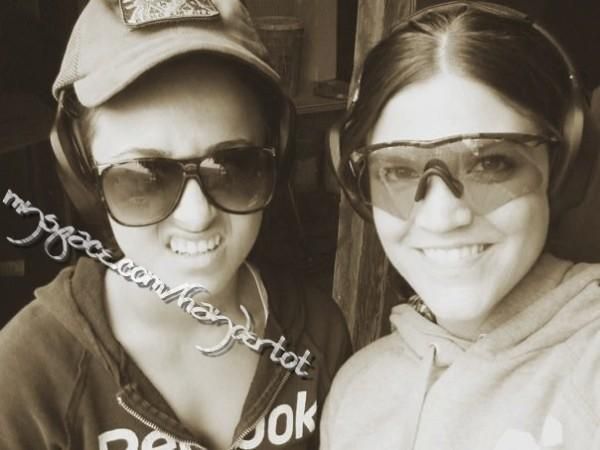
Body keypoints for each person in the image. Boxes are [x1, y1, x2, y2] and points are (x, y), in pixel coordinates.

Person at [0, 0, 351, 449]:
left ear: (276, 160)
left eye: (233, 166)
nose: (197, 215)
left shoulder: (320, 333)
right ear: (83, 178)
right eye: (145, 177)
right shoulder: (29, 377)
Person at [321, 2, 600, 449]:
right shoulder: (356, 391)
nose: (442, 217)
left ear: (565, 169)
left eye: (490, 163)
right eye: (398, 170)